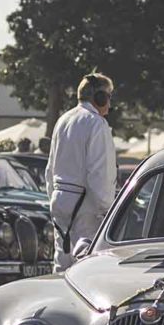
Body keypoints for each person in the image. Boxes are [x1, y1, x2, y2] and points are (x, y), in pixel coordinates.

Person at [45, 73, 117, 272]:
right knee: (87, 268)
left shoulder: (63, 120)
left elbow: (50, 168)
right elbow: (99, 173)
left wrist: (54, 198)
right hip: (87, 207)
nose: (110, 104)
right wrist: (107, 210)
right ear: (100, 97)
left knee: (61, 264)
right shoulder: (96, 123)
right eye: (109, 97)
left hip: (60, 202)